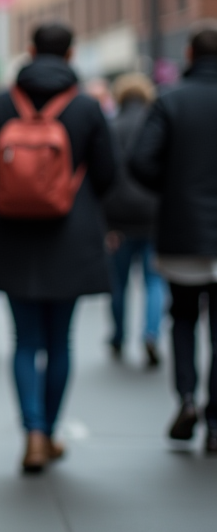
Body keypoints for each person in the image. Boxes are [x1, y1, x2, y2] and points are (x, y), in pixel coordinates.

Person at [0, 23, 115, 474]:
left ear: (30, 51)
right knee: (60, 342)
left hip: (13, 238)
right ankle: (50, 432)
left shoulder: (2, 104)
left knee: (23, 340)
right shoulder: (87, 107)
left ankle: (31, 432)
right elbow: (109, 174)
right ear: (72, 55)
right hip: (70, 241)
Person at [129, 25, 217, 455]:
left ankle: (186, 397)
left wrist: (174, 186)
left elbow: (140, 161)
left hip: (183, 231)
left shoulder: (171, 100)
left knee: (182, 317)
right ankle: (216, 421)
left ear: (188, 53)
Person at [101, 73, 163, 368]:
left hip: (119, 222)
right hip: (154, 219)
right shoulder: (159, 126)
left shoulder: (110, 128)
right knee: (155, 281)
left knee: (118, 283)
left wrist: (106, 223)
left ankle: (118, 335)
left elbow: (103, 177)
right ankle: (151, 334)